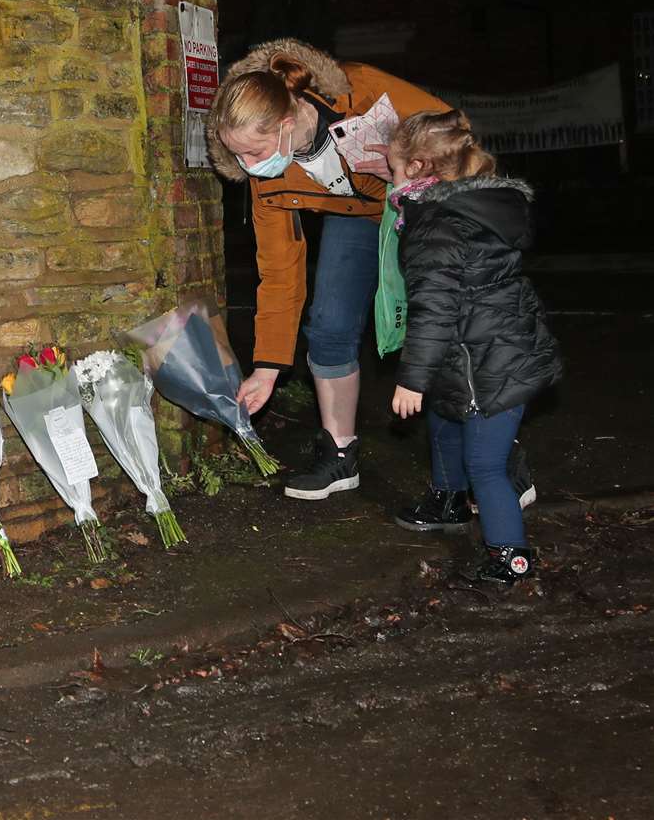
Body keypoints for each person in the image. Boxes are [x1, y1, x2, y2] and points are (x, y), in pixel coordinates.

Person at [207, 39, 448, 500]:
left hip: (428, 206)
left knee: (448, 321)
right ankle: (340, 454)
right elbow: (279, 273)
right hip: (356, 217)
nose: (249, 167)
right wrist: (266, 369)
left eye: (255, 152)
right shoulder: (266, 180)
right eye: (238, 156)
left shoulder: (363, 94)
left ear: (286, 122)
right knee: (329, 325)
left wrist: (411, 170)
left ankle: (495, 452)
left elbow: (458, 138)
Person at [385, 110, 563, 586]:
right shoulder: (476, 206)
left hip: (486, 363)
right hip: (487, 348)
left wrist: (411, 378)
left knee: (485, 464)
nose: (389, 176)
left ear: (420, 169)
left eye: (394, 168)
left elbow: (434, 308)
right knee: (445, 417)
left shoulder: (436, 227)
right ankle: (448, 499)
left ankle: (512, 556)